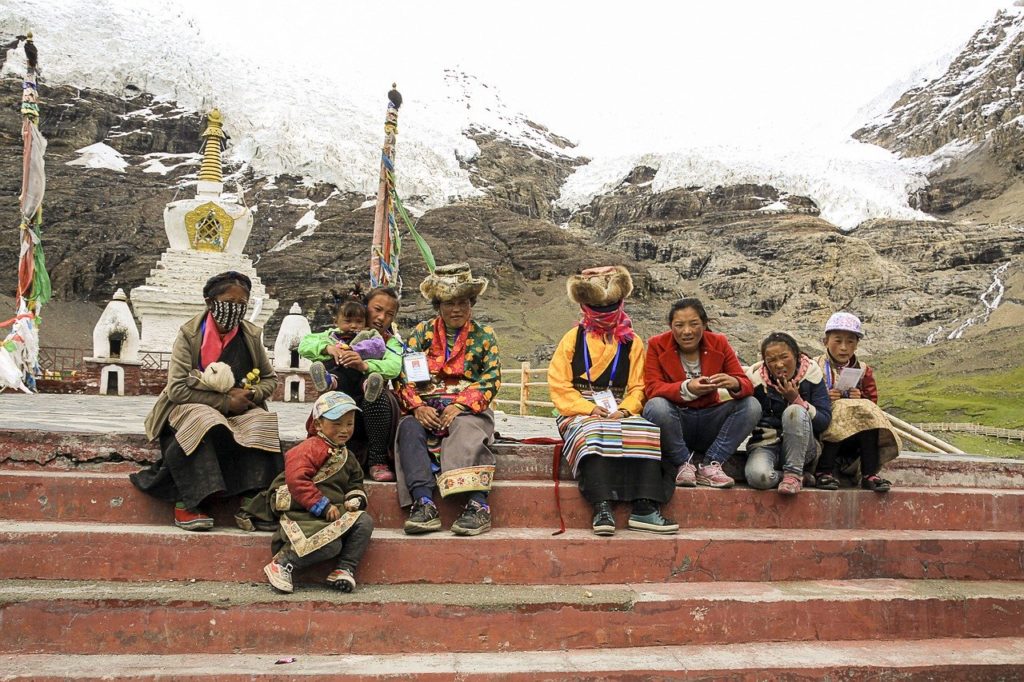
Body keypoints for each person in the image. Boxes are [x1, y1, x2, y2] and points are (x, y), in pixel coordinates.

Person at [131, 271, 282, 530]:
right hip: (192, 405)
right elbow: (177, 389)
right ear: (210, 302)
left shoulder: (250, 336)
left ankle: (253, 503)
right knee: (206, 420)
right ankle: (188, 504)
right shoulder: (190, 335)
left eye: (242, 303)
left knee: (262, 421)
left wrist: (252, 395)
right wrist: (224, 403)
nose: (235, 309)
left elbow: (270, 378)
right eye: (228, 301)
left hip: (240, 406)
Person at [548, 266, 677, 535]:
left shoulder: (633, 342)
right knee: (593, 432)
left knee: (646, 432)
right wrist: (589, 408)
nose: (604, 312)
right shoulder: (573, 338)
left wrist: (626, 410)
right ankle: (601, 505)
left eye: (610, 306)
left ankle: (645, 507)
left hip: (620, 408)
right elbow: (559, 384)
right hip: (579, 408)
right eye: (597, 306)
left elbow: (638, 386)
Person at [394, 263, 501, 537]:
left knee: (466, 429)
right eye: (449, 303)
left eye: (462, 302)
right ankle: (423, 502)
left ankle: (478, 505)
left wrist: (460, 404)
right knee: (408, 429)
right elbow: (404, 375)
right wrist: (417, 406)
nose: (456, 309)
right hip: (426, 407)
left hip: (467, 408)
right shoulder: (421, 333)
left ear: (471, 303)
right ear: (437, 305)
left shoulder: (485, 336)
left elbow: (491, 378)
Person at [241, 391, 374, 594]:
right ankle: (283, 563)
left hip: (334, 510)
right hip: (304, 511)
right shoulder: (309, 448)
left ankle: (344, 568)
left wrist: (355, 497)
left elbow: (355, 482)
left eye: (349, 423)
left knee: (364, 521)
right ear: (318, 424)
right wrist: (320, 504)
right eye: (337, 423)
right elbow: (297, 479)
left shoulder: (348, 456)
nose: (345, 430)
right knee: (331, 546)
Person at [642, 298, 761, 488]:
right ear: (671, 326)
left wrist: (734, 383)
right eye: (679, 325)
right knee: (656, 406)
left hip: (709, 419)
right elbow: (652, 388)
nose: (687, 331)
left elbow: (746, 384)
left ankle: (711, 464)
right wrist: (687, 388)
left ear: (704, 324)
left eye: (694, 324)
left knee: (751, 406)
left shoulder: (719, 343)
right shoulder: (657, 345)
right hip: (676, 421)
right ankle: (683, 463)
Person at [298, 286, 403, 482]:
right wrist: (328, 348)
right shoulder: (336, 334)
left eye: (389, 314)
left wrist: (364, 365)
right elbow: (305, 344)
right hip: (342, 399)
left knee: (377, 395)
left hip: (373, 409)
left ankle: (377, 461)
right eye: (377, 309)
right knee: (332, 398)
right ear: (364, 307)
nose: (382, 318)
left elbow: (394, 367)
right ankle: (329, 456)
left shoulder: (390, 342)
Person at [812, 312, 900, 492]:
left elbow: (873, 404)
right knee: (841, 409)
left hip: (855, 438)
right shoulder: (814, 366)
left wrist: (861, 399)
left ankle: (869, 474)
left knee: (867, 414)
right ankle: (823, 471)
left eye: (850, 342)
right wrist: (824, 398)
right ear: (825, 341)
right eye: (837, 341)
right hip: (822, 433)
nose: (844, 347)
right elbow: (805, 399)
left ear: (856, 345)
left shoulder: (863, 370)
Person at [744, 332, 832, 494]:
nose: (778, 365)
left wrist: (796, 399)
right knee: (758, 477)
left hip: (804, 449)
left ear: (797, 356)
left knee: (794, 411)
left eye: (784, 357)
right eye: (771, 360)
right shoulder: (756, 382)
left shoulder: (812, 375)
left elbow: (824, 421)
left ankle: (793, 474)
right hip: (766, 445)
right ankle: (800, 478)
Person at [302, 297, 387, 402]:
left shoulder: (368, 334)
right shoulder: (329, 336)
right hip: (339, 375)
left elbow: (379, 347)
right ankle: (328, 381)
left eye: (359, 321)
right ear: (336, 322)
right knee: (334, 375)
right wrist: (327, 348)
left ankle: (370, 387)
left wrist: (354, 349)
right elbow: (305, 344)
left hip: (360, 372)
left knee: (367, 379)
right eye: (348, 321)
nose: (354, 326)